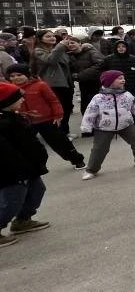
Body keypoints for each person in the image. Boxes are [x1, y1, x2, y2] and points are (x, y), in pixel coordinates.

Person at [79, 70, 135, 181]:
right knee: (99, 148)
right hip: (104, 127)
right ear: (109, 81)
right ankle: (91, 170)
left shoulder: (127, 95)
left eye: (123, 78)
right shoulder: (98, 98)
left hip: (126, 124)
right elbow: (90, 112)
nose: (123, 80)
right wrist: (86, 127)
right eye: (119, 78)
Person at [5, 64, 86, 169]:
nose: (16, 78)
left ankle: (77, 159)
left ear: (27, 74)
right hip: (24, 121)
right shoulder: (10, 89)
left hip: (46, 119)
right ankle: (35, 166)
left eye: (19, 75)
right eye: (12, 76)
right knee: (28, 145)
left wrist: (58, 115)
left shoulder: (40, 85)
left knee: (59, 142)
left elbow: (53, 101)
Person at [0, 82, 51, 248]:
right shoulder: (3, 123)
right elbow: (6, 153)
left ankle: (22, 220)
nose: (23, 99)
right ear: (6, 101)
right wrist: (19, 168)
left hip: (29, 167)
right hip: (13, 171)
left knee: (37, 191)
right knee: (11, 201)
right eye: (18, 98)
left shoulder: (14, 116)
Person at [30, 30, 74, 137]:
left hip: (65, 82)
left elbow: (66, 61)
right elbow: (50, 60)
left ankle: (65, 131)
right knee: (58, 109)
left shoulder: (56, 49)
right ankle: (59, 133)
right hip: (52, 84)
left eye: (53, 36)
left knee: (67, 108)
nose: (52, 38)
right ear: (40, 39)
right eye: (48, 36)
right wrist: (60, 46)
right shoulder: (38, 51)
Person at [100, 40, 135, 134]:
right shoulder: (108, 59)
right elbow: (103, 72)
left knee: (134, 106)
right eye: (119, 47)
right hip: (114, 88)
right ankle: (117, 126)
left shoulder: (134, 59)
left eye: (123, 46)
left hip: (131, 87)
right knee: (115, 107)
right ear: (115, 48)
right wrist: (107, 84)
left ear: (127, 48)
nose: (121, 48)